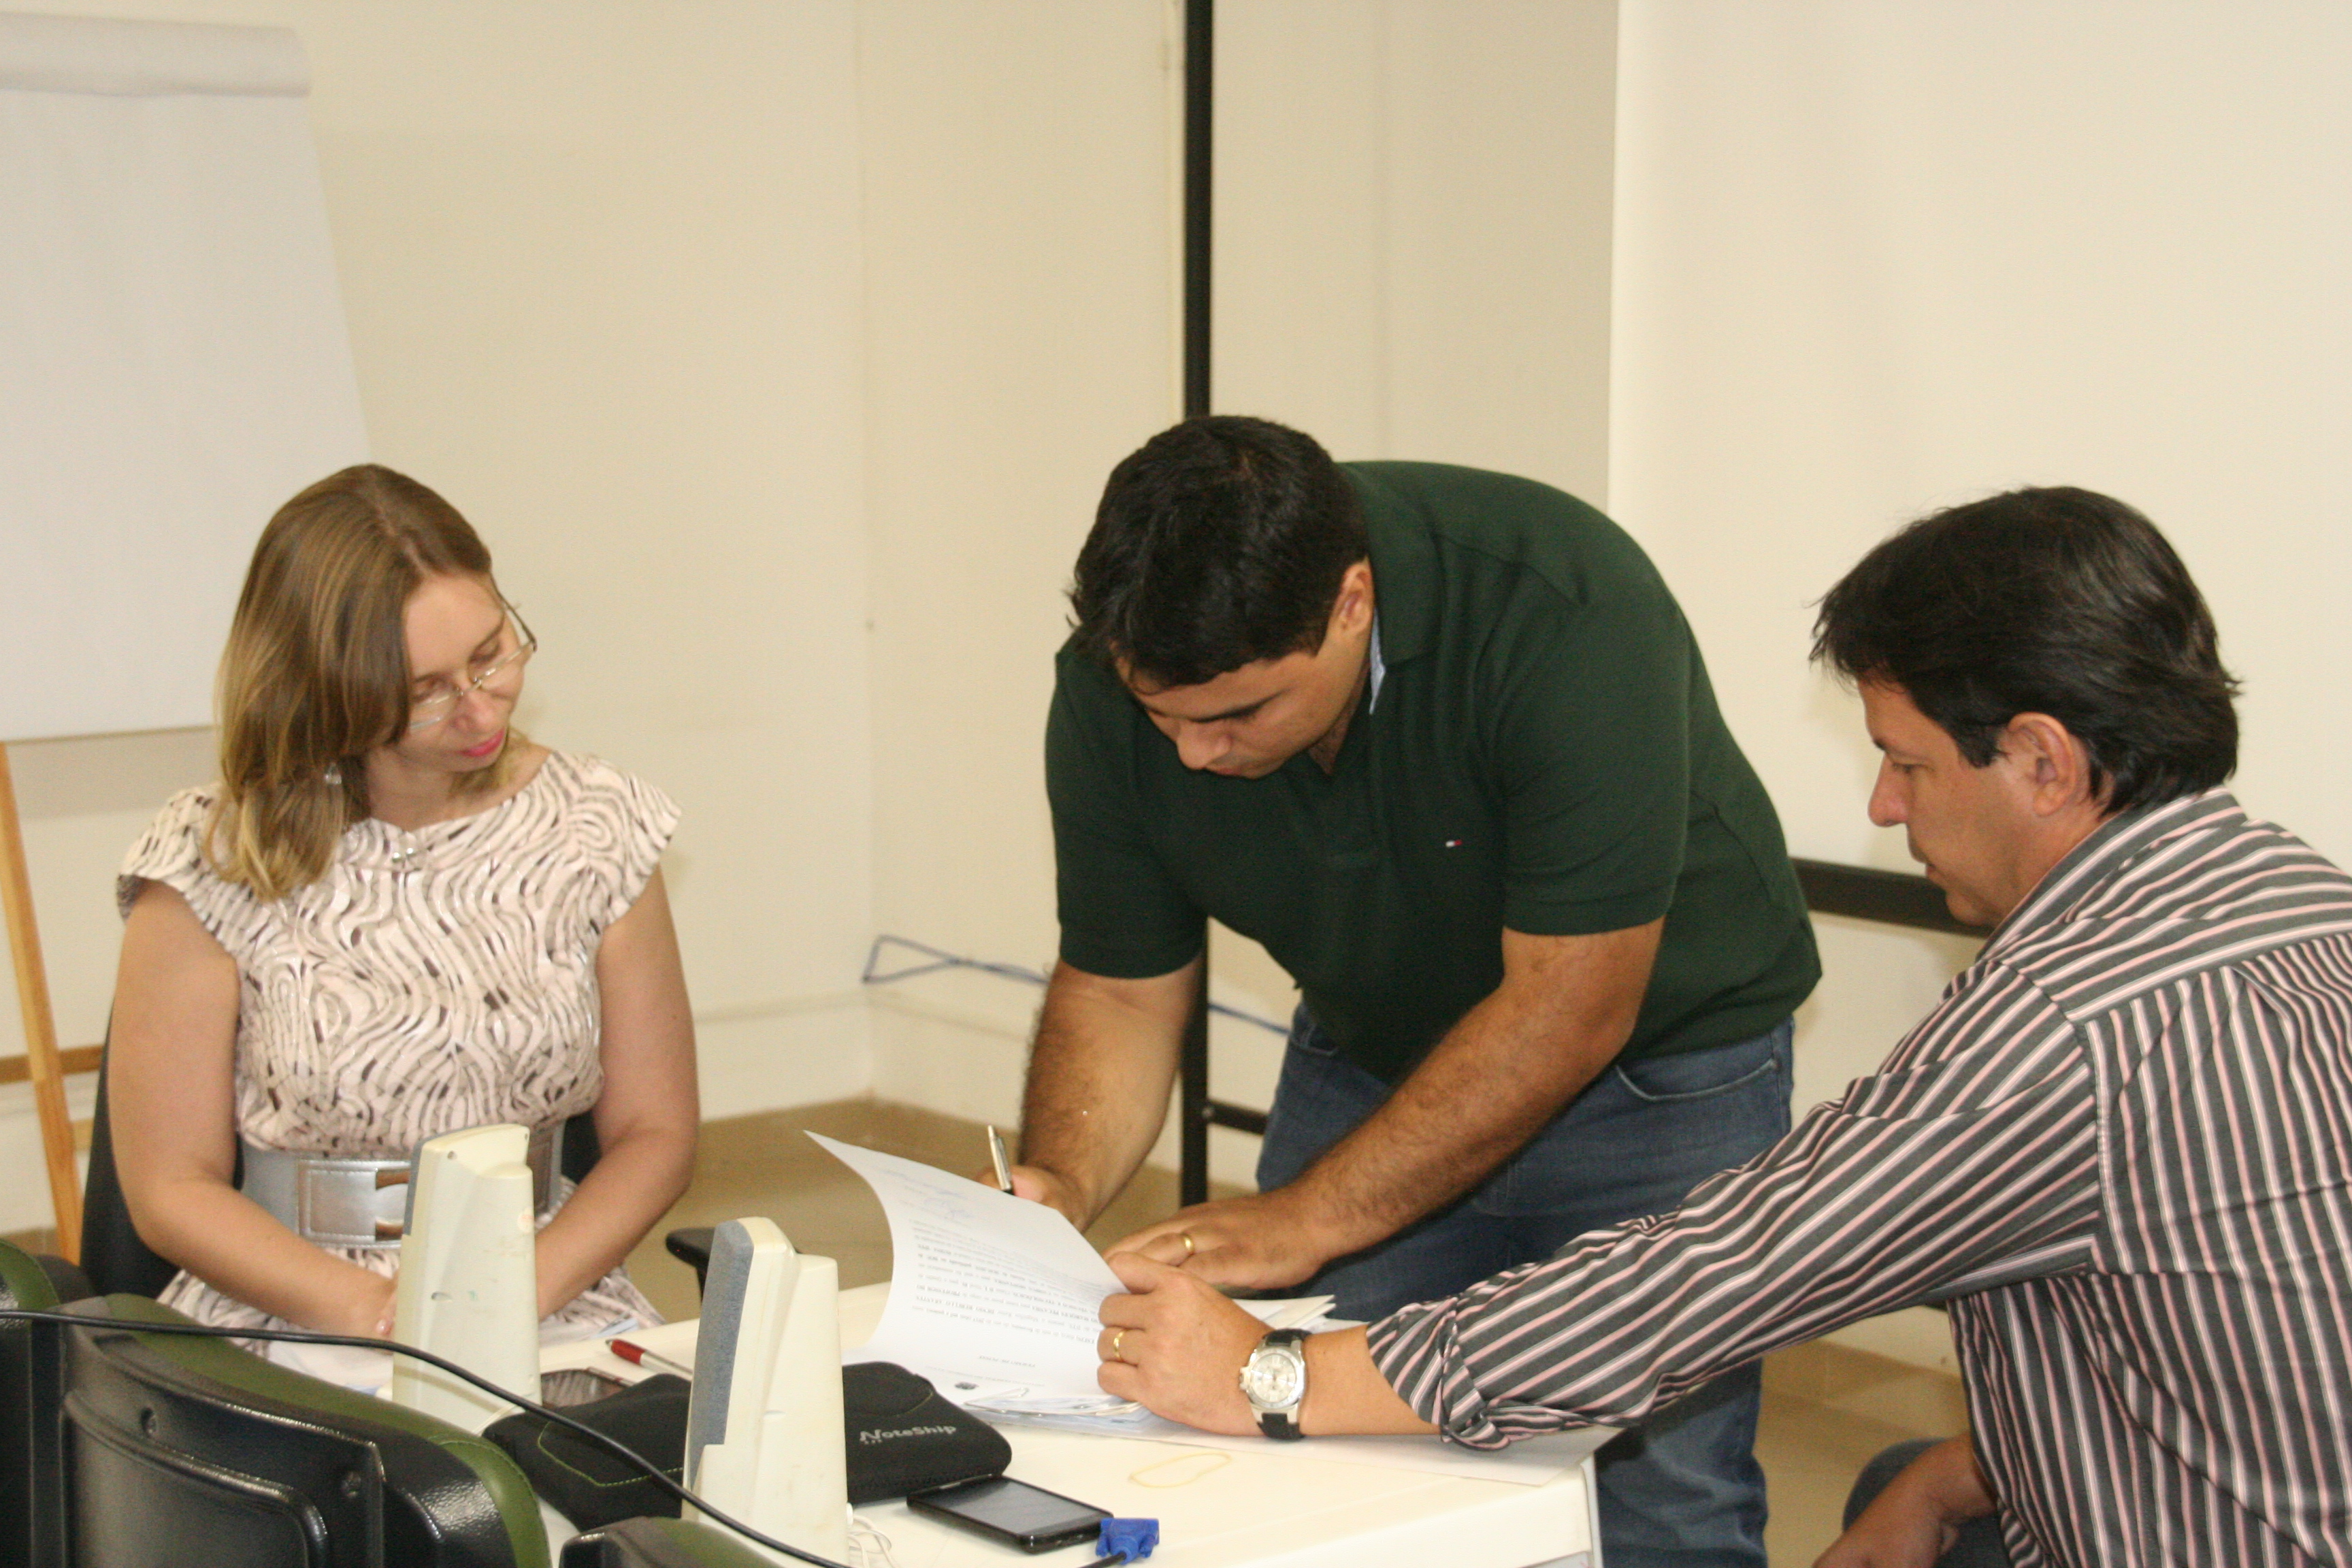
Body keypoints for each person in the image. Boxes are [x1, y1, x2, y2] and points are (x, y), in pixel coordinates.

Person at [1095, 486, 2352, 1568]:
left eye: (1908, 763)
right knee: (1909, 1479)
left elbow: (1707, 1282)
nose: (1884, 805)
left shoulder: (2066, 1027)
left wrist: (1274, 1377)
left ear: (2043, 760)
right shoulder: (2303, 906)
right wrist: (1966, 1475)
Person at [1015, 416, 1820, 1565]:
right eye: (1164, 718)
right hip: (1378, 1048)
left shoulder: (1563, 607)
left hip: (1659, 1071)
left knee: (1659, 1496)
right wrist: (1059, 1181)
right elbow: (1122, 991)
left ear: (1353, 602)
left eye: (1238, 715)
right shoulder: (1119, 679)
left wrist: (1302, 1220)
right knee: (1295, 1444)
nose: (1194, 753)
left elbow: (1571, 1008)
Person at [108, 464, 698, 1394]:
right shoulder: (211, 858)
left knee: (637, 1475)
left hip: (545, 1291)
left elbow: (655, 1132)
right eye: (425, 689)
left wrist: (514, 1295)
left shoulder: (597, 824)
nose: (480, 706)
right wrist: (383, 1317)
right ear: (329, 690)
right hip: (289, 1306)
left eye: (492, 654)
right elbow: (170, 1189)